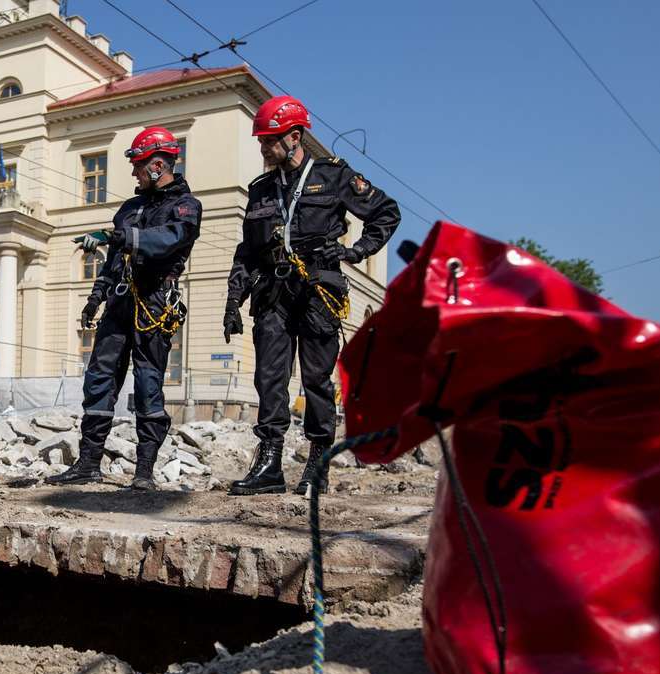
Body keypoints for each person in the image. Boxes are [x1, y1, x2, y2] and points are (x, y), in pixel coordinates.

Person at [223, 95, 400, 496]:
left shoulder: (333, 176)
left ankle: (318, 461)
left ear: (295, 136)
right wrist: (233, 299)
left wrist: (355, 252)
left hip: (319, 289)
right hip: (271, 292)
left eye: (270, 140)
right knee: (269, 377)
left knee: (317, 379)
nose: (264, 148)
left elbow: (386, 213)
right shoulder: (261, 189)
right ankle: (269, 463)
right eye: (262, 141)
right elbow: (247, 251)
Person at [46, 126, 202, 491]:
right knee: (99, 377)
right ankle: (88, 464)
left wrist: (124, 237)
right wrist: (95, 297)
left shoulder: (185, 207)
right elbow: (114, 259)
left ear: (158, 165)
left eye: (138, 165)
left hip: (154, 302)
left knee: (148, 383)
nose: (133, 173)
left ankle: (143, 472)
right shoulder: (129, 208)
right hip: (119, 300)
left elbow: (170, 241)